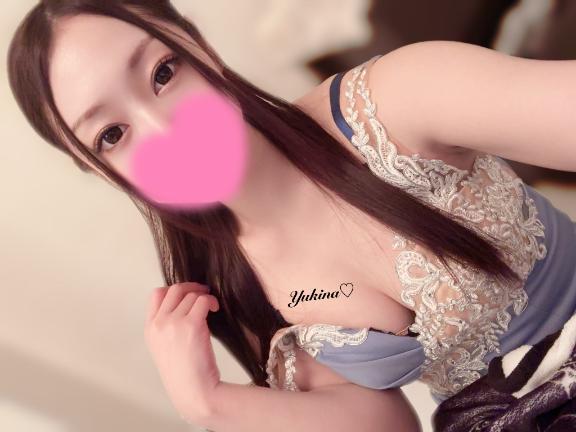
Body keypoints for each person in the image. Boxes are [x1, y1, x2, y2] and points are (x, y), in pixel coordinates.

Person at [7, 1, 576, 431]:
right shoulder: (239, 290)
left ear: (197, 46)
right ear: (102, 171)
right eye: (111, 135)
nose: (165, 131)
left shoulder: (393, 104)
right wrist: (209, 401)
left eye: (162, 73)